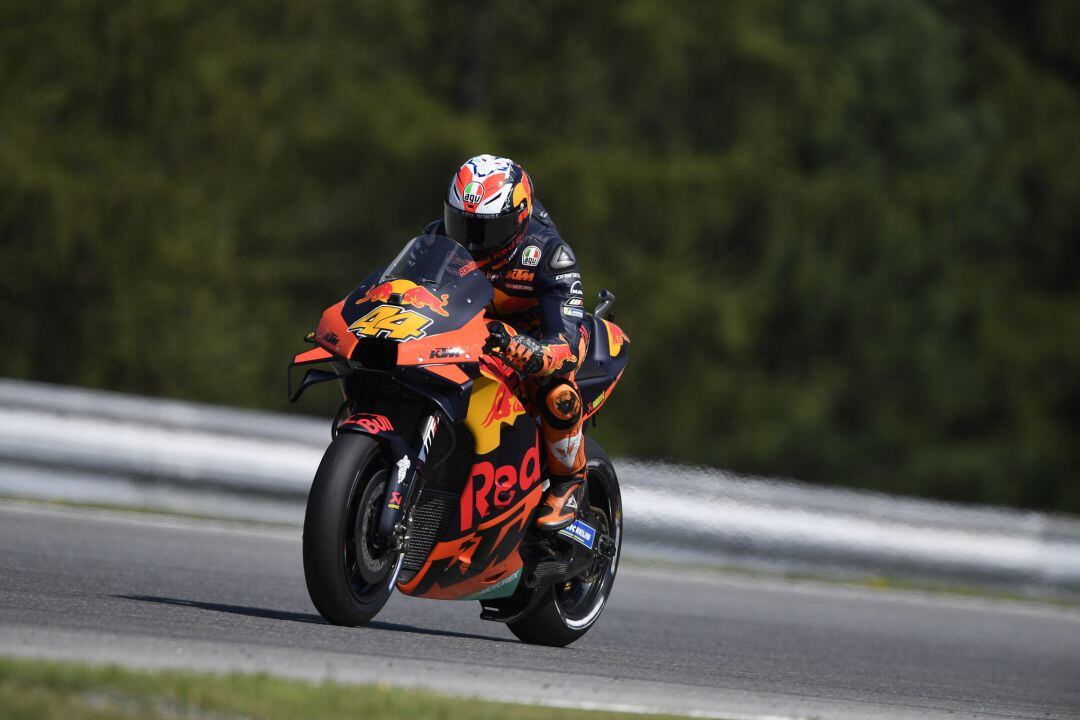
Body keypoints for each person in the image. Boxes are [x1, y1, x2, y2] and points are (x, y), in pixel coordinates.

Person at [425, 154, 588, 532]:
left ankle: (569, 484)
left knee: (559, 394)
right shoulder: (437, 238)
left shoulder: (549, 255)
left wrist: (523, 348)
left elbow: (566, 348)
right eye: (460, 223)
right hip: (466, 333)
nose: (469, 241)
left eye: (484, 231)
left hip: (532, 341)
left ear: (517, 220)